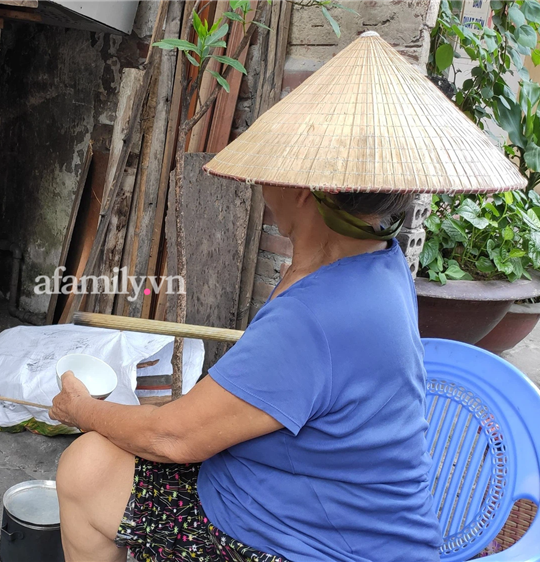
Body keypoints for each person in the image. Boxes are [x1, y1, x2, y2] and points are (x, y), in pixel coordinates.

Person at [50, 185, 443, 562]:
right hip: (326, 512)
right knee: (100, 460)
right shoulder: (381, 259)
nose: (259, 185)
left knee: (84, 471)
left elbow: (168, 437)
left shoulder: (312, 315)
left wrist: (81, 409)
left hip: (310, 544)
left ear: (304, 190)